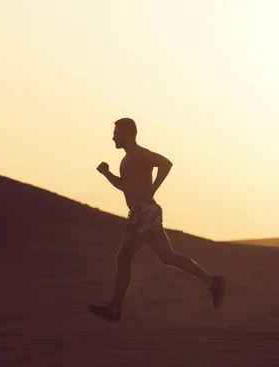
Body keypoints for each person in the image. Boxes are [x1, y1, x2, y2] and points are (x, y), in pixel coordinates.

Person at [88, 118, 226, 323]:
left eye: (116, 133)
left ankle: (114, 309)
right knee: (167, 256)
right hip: (142, 211)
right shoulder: (128, 159)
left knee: (123, 257)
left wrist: (153, 189)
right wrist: (107, 174)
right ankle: (212, 282)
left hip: (144, 212)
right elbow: (125, 186)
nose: (113, 137)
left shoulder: (139, 154)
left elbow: (166, 163)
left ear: (127, 133)